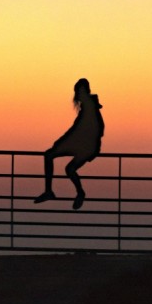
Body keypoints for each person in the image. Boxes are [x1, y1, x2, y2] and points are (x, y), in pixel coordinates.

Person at [34, 78, 104, 210]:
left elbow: (80, 129)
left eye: (80, 91)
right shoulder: (89, 106)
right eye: (78, 91)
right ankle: (78, 192)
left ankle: (51, 191)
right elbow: (80, 129)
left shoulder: (89, 106)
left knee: (50, 156)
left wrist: (61, 142)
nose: (79, 94)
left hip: (85, 146)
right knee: (67, 167)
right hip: (85, 145)